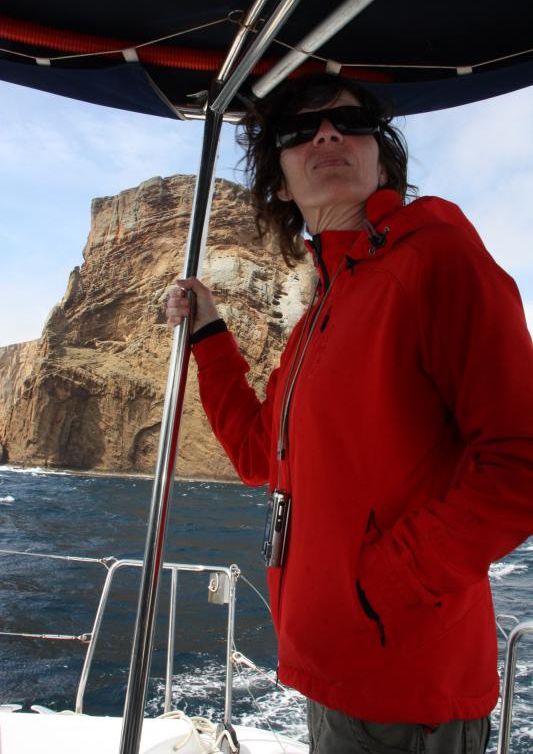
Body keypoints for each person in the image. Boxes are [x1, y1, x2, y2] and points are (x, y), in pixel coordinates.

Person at [166, 73, 533, 753]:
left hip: (406, 687)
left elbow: (521, 460)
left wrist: (380, 587)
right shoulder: (319, 317)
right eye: (299, 130)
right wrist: (210, 338)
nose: (328, 134)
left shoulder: (435, 257)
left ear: (380, 160)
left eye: (349, 122)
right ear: (280, 182)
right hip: (332, 673)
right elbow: (256, 456)